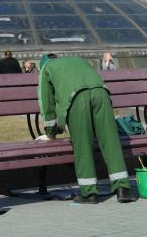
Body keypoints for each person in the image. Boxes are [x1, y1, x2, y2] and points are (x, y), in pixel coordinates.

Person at [38, 54, 137, 204]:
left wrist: (50, 133)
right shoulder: (77, 59)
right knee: (110, 141)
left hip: (77, 98)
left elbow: (47, 103)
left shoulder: (46, 68)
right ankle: (123, 189)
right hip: (102, 93)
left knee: (82, 144)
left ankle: (89, 193)